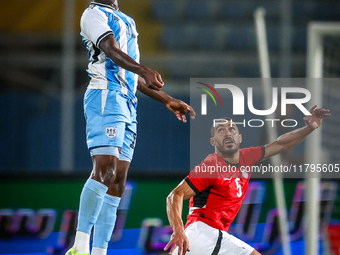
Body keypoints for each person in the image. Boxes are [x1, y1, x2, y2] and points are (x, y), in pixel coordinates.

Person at [66, 1, 195, 255]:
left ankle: (100, 250)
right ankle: (80, 247)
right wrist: (145, 69)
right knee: (105, 169)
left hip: (127, 101)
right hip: (106, 94)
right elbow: (111, 49)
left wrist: (167, 99)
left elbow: (131, 75)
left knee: (118, 180)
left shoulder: (126, 19)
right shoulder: (93, 14)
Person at [164, 106, 330, 255]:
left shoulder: (247, 157)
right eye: (220, 130)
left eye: (232, 129)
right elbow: (175, 195)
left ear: (239, 138)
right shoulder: (211, 166)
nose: (228, 132)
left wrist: (308, 129)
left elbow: (281, 144)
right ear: (213, 142)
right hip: (202, 232)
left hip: (210, 238)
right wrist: (178, 231)